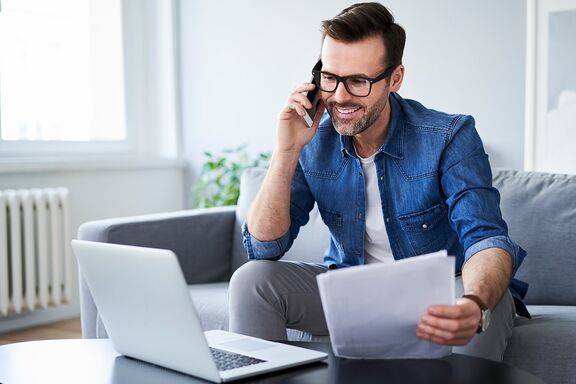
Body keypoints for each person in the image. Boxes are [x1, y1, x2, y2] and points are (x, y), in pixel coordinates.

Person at [229, 2, 527, 362]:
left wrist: (474, 302)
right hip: (353, 289)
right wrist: (287, 149)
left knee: (482, 314)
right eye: (330, 77)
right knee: (252, 280)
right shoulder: (313, 142)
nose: (340, 96)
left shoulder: (449, 136)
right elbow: (264, 249)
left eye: (358, 81)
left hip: (447, 291)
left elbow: (486, 238)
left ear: (395, 78)